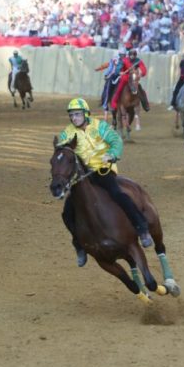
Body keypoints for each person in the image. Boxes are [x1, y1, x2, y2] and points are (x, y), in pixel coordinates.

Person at [57, 98, 153, 267]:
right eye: (72, 115)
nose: (74, 118)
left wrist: (112, 154)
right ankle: (79, 245)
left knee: (118, 194)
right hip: (81, 177)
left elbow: (116, 141)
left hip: (102, 170)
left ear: (86, 114)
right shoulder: (67, 133)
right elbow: (62, 152)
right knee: (67, 212)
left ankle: (142, 229)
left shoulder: (99, 126)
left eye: (77, 114)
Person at [110, 48, 150, 114]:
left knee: (141, 90)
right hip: (125, 77)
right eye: (131, 55)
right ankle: (113, 104)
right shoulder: (124, 60)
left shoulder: (138, 61)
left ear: (136, 55)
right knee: (119, 89)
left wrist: (141, 73)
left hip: (134, 78)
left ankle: (146, 105)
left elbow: (143, 69)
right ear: (129, 55)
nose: (132, 56)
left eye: (134, 55)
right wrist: (120, 72)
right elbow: (118, 68)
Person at [96, 49, 126, 120]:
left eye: (124, 55)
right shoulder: (115, 59)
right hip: (113, 76)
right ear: (119, 55)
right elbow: (110, 68)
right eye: (121, 55)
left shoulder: (126, 60)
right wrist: (106, 74)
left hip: (121, 76)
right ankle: (105, 105)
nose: (123, 56)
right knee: (107, 90)